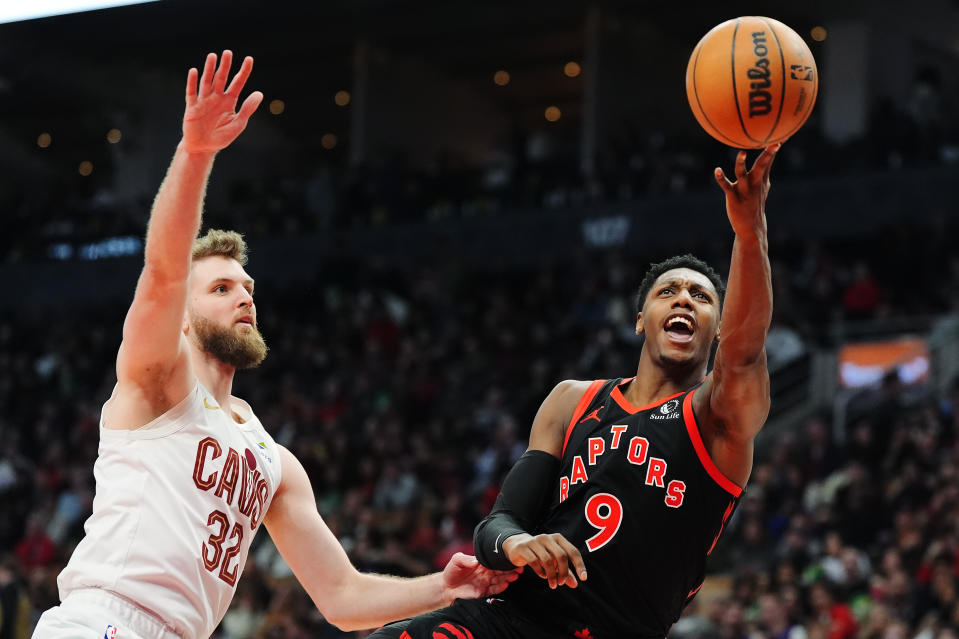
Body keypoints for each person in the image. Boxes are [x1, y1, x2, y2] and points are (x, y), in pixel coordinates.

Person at [32, 51, 517, 639]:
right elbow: (162, 271)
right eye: (219, 287)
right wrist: (196, 153)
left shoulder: (273, 460)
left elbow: (341, 596)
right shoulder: (156, 381)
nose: (244, 298)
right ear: (181, 317)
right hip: (104, 620)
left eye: (247, 287)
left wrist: (442, 588)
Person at [370, 143, 781, 639]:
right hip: (515, 620)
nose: (685, 300)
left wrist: (748, 231)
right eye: (667, 291)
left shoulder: (716, 418)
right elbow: (497, 525)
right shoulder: (573, 400)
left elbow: (745, 353)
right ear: (639, 320)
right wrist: (519, 544)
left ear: (717, 327)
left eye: (701, 297)